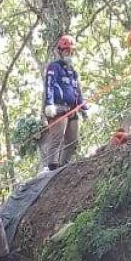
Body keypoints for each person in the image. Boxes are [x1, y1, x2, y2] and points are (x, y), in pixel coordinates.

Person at [42, 34, 87, 170]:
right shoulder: (54, 67)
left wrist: (83, 106)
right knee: (57, 138)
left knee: (73, 140)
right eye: (67, 51)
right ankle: (52, 167)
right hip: (58, 108)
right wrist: (49, 103)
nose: (70, 54)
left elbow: (77, 90)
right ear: (60, 52)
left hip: (72, 109)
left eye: (72, 51)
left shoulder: (73, 71)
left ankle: (63, 166)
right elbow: (49, 85)